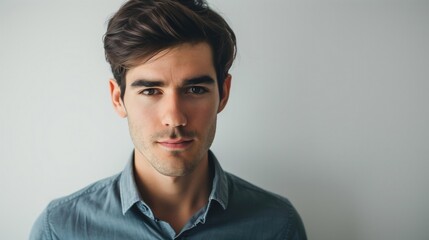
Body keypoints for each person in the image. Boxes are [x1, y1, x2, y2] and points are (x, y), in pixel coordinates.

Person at [29, 0, 307, 239]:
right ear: (118, 98)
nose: (174, 118)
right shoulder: (60, 230)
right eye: (151, 91)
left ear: (223, 94)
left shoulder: (278, 226)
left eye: (195, 90)